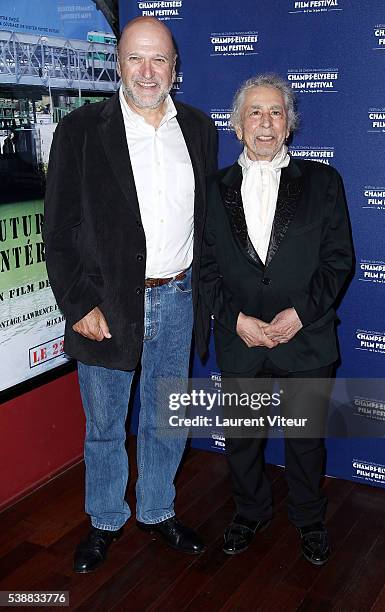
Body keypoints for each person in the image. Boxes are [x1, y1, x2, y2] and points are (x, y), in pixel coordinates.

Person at [43, 16, 217, 573]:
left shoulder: (198, 127)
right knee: (104, 425)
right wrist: (78, 305)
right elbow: (60, 230)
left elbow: (206, 220)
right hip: (107, 305)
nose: (147, 72)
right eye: (136, 59)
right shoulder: (80, 130)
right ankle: (105, 520)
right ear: (118, 63)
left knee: (168, 418)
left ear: (175, 68)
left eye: (159, 60)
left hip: (179, 296)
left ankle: (158, 509)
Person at [200, 74, 353, 565]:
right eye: (255, 113)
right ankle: (250, 512)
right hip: (240, 337)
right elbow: (203, 269)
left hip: (304, 339)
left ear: (288, 125)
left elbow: (338, 261)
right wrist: (237, 320)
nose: (265, 123)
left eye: (276, 113)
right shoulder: (212, 188)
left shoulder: (324, 182)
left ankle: (309, 518)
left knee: (306, 441)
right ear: (237, 126)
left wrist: (301, 314)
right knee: (243, 439)